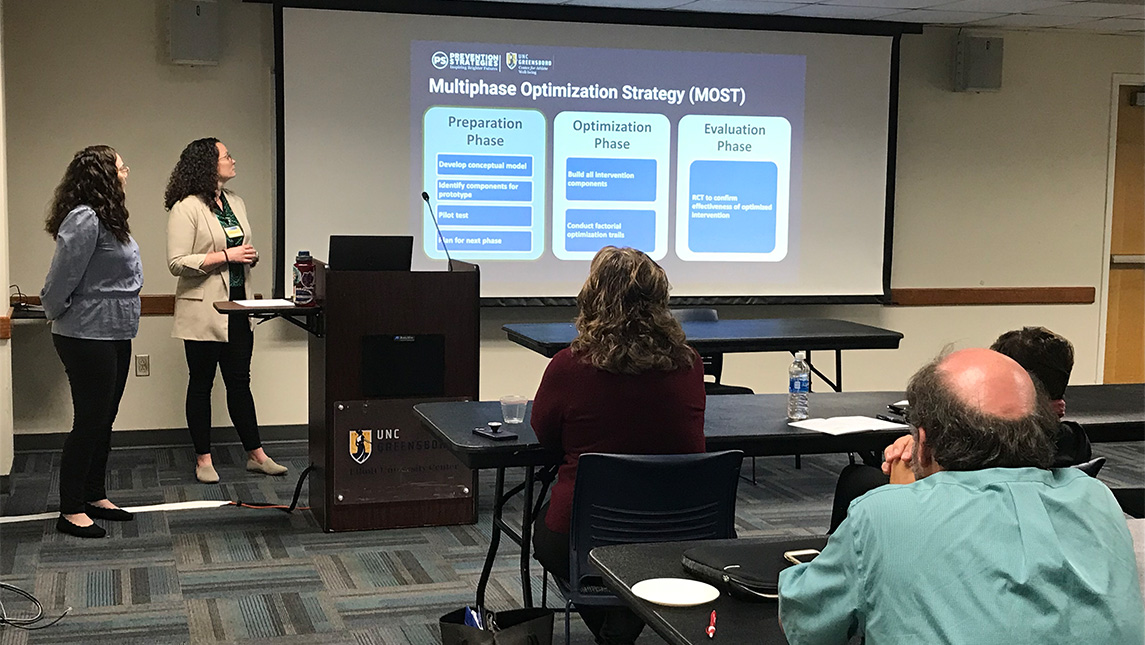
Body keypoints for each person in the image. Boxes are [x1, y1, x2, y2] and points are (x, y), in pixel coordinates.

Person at [779, 348, 1144, 645]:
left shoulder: (881, 516)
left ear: (923, 443)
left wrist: (905, 498)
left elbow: (804, 625)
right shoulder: (1096, 498)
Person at [530, 246, 706, 645]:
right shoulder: (690, 364)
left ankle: (616, 623)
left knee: (547, 533)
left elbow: (545, 435)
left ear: (593, 298)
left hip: (586, 533)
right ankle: (625, 616)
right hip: (680, 527)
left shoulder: (568, 366)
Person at [826, 325, 1092, 533]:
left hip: (946, 525)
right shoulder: (1075, 449)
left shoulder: (980, 441)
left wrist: (907, 483)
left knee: (858, 479)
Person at [164, 138, 286, 483]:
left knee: (240, 382)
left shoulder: (236, 202)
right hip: (203, 311)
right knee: (201, 384)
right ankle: (203, 459)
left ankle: (256, 455)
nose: (233, 160)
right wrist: (226, 256)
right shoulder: (186, 207)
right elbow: (176, 262)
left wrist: (247, 256)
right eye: (226, 156)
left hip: (238, 308)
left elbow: (238, 247)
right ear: (207, 164)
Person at [41, 145, 142, 538]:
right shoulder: (84, 218)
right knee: (90, 420)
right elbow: (59, 280)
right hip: (85, 334)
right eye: (121, 166)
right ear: (104, 175)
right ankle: (70, 508)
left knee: (105, 418)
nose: (126, 172)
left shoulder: (110, 218)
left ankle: (94, 494)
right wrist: (59, 313)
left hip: (115, 331)